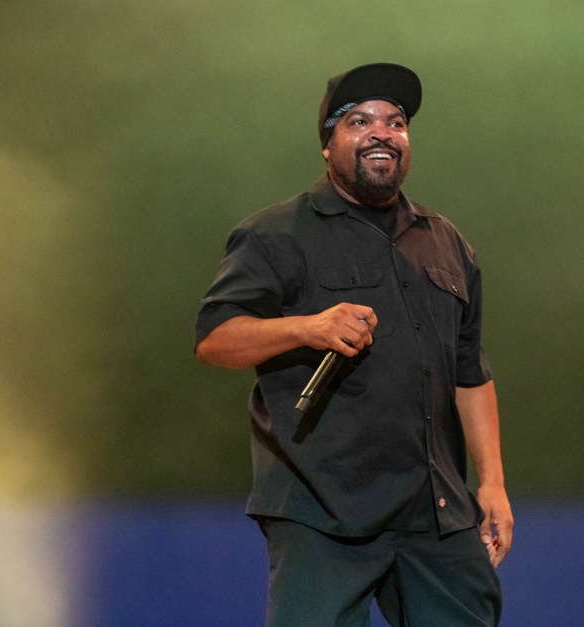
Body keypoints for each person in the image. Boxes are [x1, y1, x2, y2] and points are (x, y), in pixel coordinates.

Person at [195, 62, 513, 626]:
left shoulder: (445, 242)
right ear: (328, 144)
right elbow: (215, 339)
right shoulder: (276, 233)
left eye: (396, 122)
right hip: (322, 509)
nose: (381, 133)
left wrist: (492, 482)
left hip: (434, 510)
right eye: (359, 121)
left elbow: (470, 372)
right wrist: (307, 327)